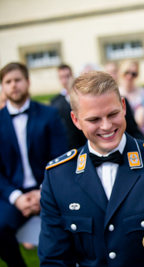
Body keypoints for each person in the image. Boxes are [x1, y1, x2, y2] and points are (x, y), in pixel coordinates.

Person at [38, 71, 144, 266]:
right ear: (75, 120)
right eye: (94, 120)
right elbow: (54, 259)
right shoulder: (58, 176)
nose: (106, 126)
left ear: (123, 107)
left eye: (113, 114)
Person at [0, 62, 68, 267]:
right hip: (14, 193)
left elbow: (60, 158)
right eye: (8, 82)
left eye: (17, 80)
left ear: (28, 82)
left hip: (48, 187)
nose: (14, 86)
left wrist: (43, 192)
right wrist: (16, 197)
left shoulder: (49, 114)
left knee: (74, 222)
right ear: (2, 87)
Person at [51, 64, 87, 149]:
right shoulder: (55, 102)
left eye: (67, 76)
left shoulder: (82, 96)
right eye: (62, 77)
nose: (65, 80)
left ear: (72, 75)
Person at [118, 60, 144, 130]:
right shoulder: (114, 93)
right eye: (126, 72)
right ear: (121, 72)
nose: (129, 76)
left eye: (133, 74)